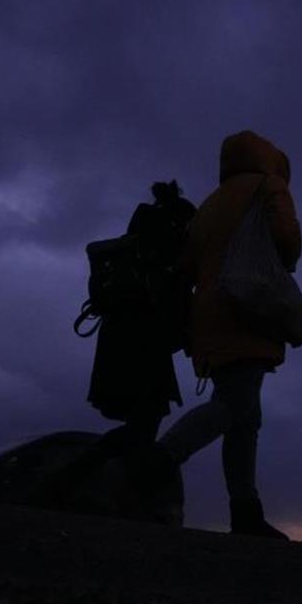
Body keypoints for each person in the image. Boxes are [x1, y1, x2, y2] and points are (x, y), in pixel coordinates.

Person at [143, 130, 302, 539]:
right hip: (248, 310)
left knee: (246, 417)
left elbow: (189, 263)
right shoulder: (269, 186)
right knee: (234, 404)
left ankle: (245, 511)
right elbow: (287, 238)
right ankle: (159, 459)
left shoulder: (211, 204)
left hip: (210, 316)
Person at [46, 181, 196, 524]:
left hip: (122, 345)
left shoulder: (137, 242)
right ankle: (71, 483)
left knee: (140, 430)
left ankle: (100, 493)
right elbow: (171, 309)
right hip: (144, 348)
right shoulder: (165, 251)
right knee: (143, 429)